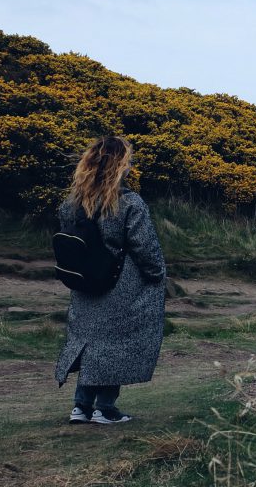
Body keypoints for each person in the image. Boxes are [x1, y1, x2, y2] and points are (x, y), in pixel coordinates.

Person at [53, 136, 166, 425]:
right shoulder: (128, 202)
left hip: (85, 285)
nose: (130, 165)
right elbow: (145, 246)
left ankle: (80, 406)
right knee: (116, 345)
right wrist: (157, 276)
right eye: (127, 159)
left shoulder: (72, 203)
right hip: (121, 285)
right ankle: (105, 409)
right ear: (119, 164)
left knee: (90, 342)